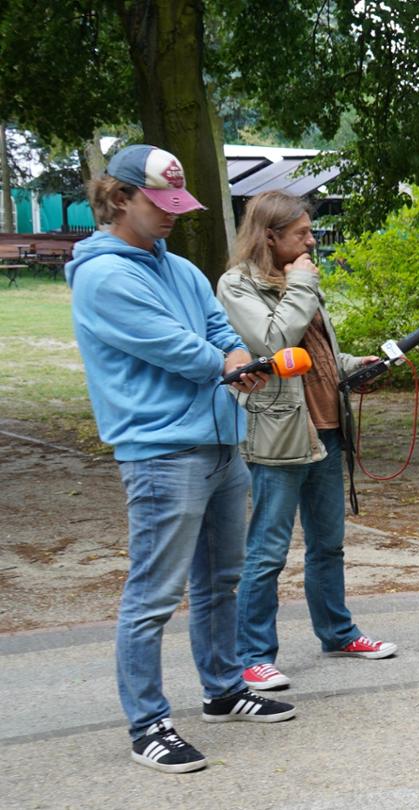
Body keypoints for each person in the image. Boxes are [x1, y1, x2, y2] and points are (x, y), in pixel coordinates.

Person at [67, 145, 296, 774]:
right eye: (159, 203)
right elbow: (178, 349)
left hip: (221, 444)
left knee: (220, 581)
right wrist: (229, 366)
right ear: (119, 199)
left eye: (177, 203)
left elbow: (220, 334)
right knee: (153, 595)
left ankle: (222, 690)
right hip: (162, 452)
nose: (172, 215)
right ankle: (147, 725)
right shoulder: (104, 275)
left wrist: (235, 362)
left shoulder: (183, 268)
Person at [217, 191, 397, 692]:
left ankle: (337, 632)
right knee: (268, 550)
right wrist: (299, 284)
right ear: (269, 236)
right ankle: (253, 656)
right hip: (280, 437)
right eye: (301, 234)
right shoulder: (238, 285)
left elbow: (313, 356)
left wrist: (354, 365)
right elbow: (273, 345)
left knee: (328, 544)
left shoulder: (298, 283)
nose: (311, 242)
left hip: (326, 430)